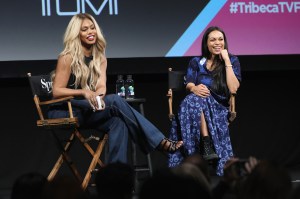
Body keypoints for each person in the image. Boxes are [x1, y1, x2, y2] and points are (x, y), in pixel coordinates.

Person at [47, 13, 183, 164]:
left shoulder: (100, 57)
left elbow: (101, 86)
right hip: (64, 110)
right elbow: (57, 91)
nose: (91, 32)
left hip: (86, 110)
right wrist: (84, 92)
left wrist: (98, 97)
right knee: (114, 100)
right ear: (76, 34)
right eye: (84, 29)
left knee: (118, 121)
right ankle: (160, 142)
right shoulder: (67, 57)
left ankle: (116, 176)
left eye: (92, 28)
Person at [168, 26, 241, 176]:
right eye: (213, 39)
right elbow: (188, 83)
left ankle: (199, 148)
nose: (217, 43)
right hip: (195, 107)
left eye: (221, 39)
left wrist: (226, 60)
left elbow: (233, 89)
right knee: (194, 98)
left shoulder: (233, 60)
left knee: (195, 100)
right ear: (206, 44)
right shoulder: (196, 62)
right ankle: (206, 142)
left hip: (219, 109)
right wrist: (194, 88)